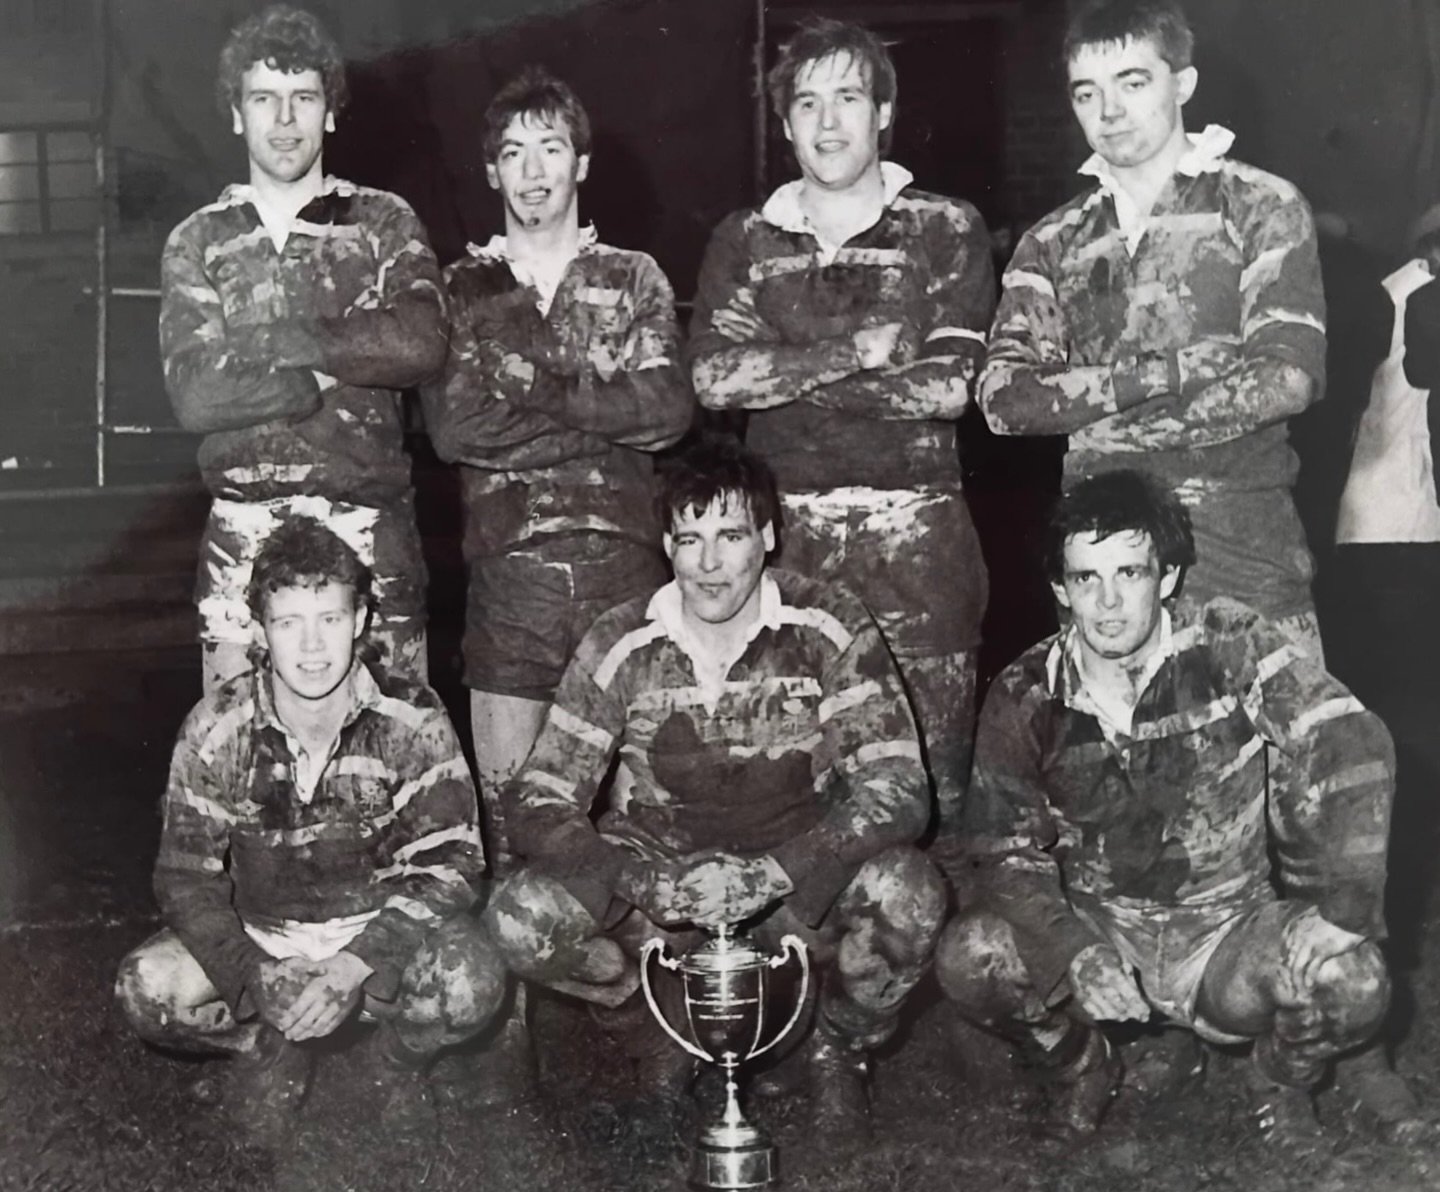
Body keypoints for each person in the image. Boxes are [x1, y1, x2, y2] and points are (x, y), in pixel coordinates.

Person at [483, 437, 945, 1139]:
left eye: (730, 535)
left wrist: (777, 873)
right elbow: (539, 798)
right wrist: (639, 879)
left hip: (795, 879)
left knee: (909, 894)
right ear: (666, 542)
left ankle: (833, 1048)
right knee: (521, 915)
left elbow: (899, 786)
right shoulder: (620, 640)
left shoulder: (825, 624)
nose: (708, 563)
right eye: (689, 538)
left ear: (767, 536)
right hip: (666, 887)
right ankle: (656, 1041)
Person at [933, 471, 1404, 1150]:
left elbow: (1352, 741)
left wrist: (1346, 909)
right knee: (970, 955)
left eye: (1130, 572)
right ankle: (1079, 1067)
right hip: (1105, 925)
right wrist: (1074, 953)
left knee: (1353, 979)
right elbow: (1003, 850)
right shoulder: (1025, 692)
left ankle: (1279, 1080)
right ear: (1061, 589)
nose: (1109, 602)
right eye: (1086, 578)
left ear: (1170, 577)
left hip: (1226, 934)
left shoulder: (1227, 642)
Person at [686, 18, 996, 860]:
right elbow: (714, 381)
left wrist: (784, 368)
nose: (828, 124)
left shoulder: (945, 229)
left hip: (922, 559)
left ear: (884, 112)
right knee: (800, 795)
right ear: (784, 123)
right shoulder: (745, 239)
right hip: (788, 556)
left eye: (849, 98)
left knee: (932, 810)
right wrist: (854, 352)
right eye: (807, 103)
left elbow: (948, 388)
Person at [114, 517, 503, 1143]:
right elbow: (185, 878)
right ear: (260, 632)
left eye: (330, 618)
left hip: (374, 933)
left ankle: (393, 1066)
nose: (313, 646)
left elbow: (453, 865)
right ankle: (265, 1049)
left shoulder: (414, 718)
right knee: (147, 990)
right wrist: (253, 972)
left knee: (472, 981)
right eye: (289, 622)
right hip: (265, 932)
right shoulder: (217, 727)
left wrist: (355, 965)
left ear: (362, 620)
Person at [979, 0, 1326, 656]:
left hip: (1240, 546)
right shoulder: (1052, 240)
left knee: (1283, 753)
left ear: (1183, 83)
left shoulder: (1259, 205)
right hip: (1105, 565)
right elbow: (1004, 401)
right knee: (1121, 755)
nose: (1109, 111)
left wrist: (1092, 414)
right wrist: (1162, 375)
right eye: (1088, 92)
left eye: (1133, 83)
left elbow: (1285, 380)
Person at [420, 66, 693, 874]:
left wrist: (536, 394)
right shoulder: (462, 287)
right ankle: (519, 1000)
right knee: (514, 833)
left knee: (644, 823)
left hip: (626, 576)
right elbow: (457, 427)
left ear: (581, 163)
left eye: (551, 149)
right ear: (492, 170)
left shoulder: (633, 277)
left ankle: (641, 990)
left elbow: (668, 411)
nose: (533, 171)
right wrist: (603, 426)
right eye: (513, 153)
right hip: (511, 583)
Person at [162, 4, 446, 693]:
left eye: (303, 98)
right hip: (242, 540)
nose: (284, 120)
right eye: (264, 99)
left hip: (370, 531)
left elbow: (419, 341)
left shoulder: (382, 221)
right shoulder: (198, 239)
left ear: (331, 112)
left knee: (389, 768)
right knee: (241, 771)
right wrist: (314, 380)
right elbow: (197, 393)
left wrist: (283, 345)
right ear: (236, 113)